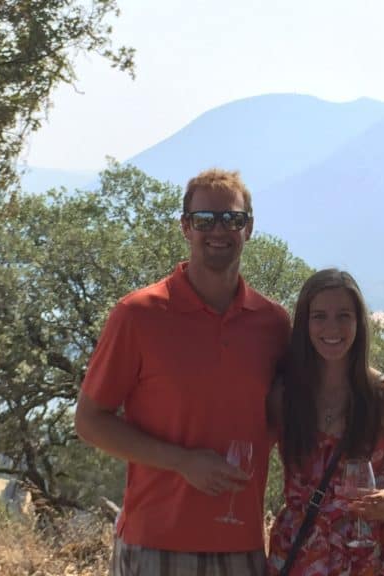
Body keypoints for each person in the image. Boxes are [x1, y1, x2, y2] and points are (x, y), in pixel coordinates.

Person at [75, 168, 291, 576]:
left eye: (233, 219)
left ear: (249, 228)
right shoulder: (137, 315)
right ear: (185, 227)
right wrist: (182, 462)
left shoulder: (273, 324)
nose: (219, 230)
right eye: (205, 220)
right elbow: (89, 421)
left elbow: (296, 413)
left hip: (241, 547)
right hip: (155, 544)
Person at [266, 269, 384, 576]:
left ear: (359, 323)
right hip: (301, 556)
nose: (332, 327)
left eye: (343, 316)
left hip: (378, 559)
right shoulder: (284, 398)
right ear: (304, 324)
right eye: (320, 316)